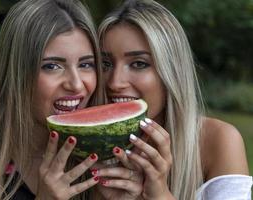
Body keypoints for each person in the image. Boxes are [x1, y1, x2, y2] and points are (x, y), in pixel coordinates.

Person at [93, 0, 253, 199]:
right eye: (105, 63)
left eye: (139, 64)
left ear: (172, 71)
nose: (115, 82)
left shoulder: (218, 140)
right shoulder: (83, 150)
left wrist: (159, 194)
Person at [0, 0, 106, 199]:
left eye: (86, 64)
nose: (76, 85)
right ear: (17, 72)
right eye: (52, 66)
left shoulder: (101, 162)